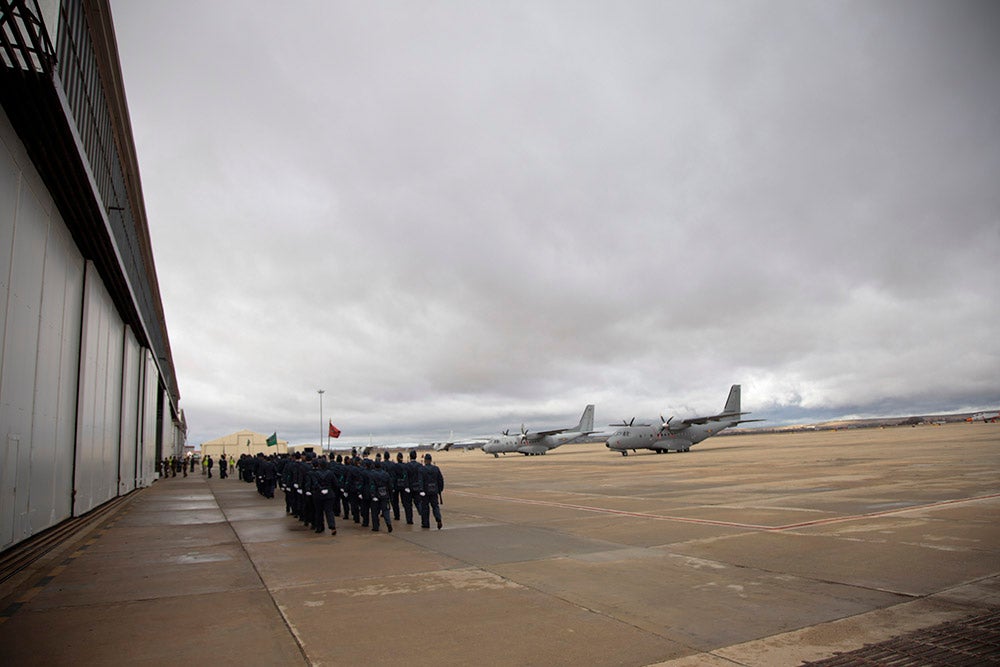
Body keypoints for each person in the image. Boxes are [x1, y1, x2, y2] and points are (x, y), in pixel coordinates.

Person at [421, 453, 444, 530]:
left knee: (425, 508)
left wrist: (421, 490)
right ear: (431, 460)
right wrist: (439, 489)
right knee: (435, 507)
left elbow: (420, 480)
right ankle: (438, 519)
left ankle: (426, 523)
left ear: (425, 460)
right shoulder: (436, 468)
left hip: (425, 491)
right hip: (434, 491)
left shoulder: (422, 469)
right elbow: (440, 480)